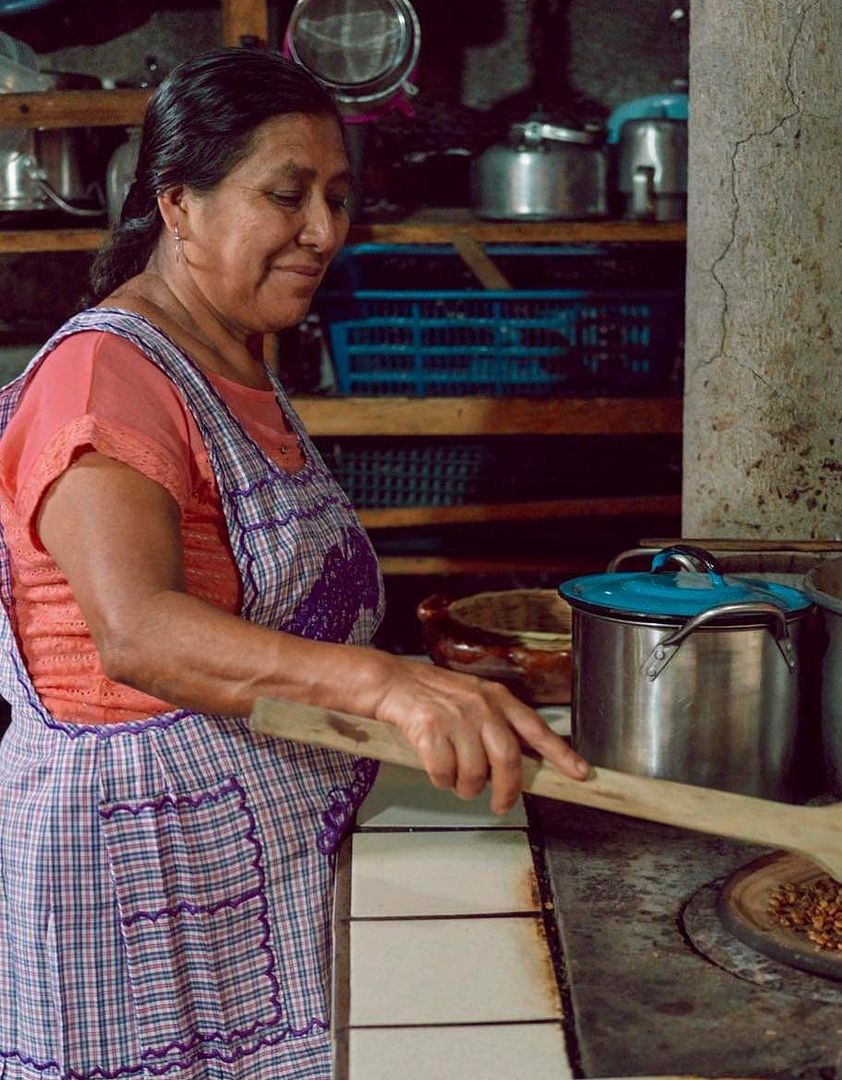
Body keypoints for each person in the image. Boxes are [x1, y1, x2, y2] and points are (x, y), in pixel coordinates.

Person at [0, 48, 588, 1079]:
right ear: (178, 204)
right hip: (143, 875)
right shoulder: (106, 372)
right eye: (287, 195)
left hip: (249, 842)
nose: (324, 231)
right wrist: (386, 683)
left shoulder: (231, 361)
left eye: (337, 196)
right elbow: (137, 632)